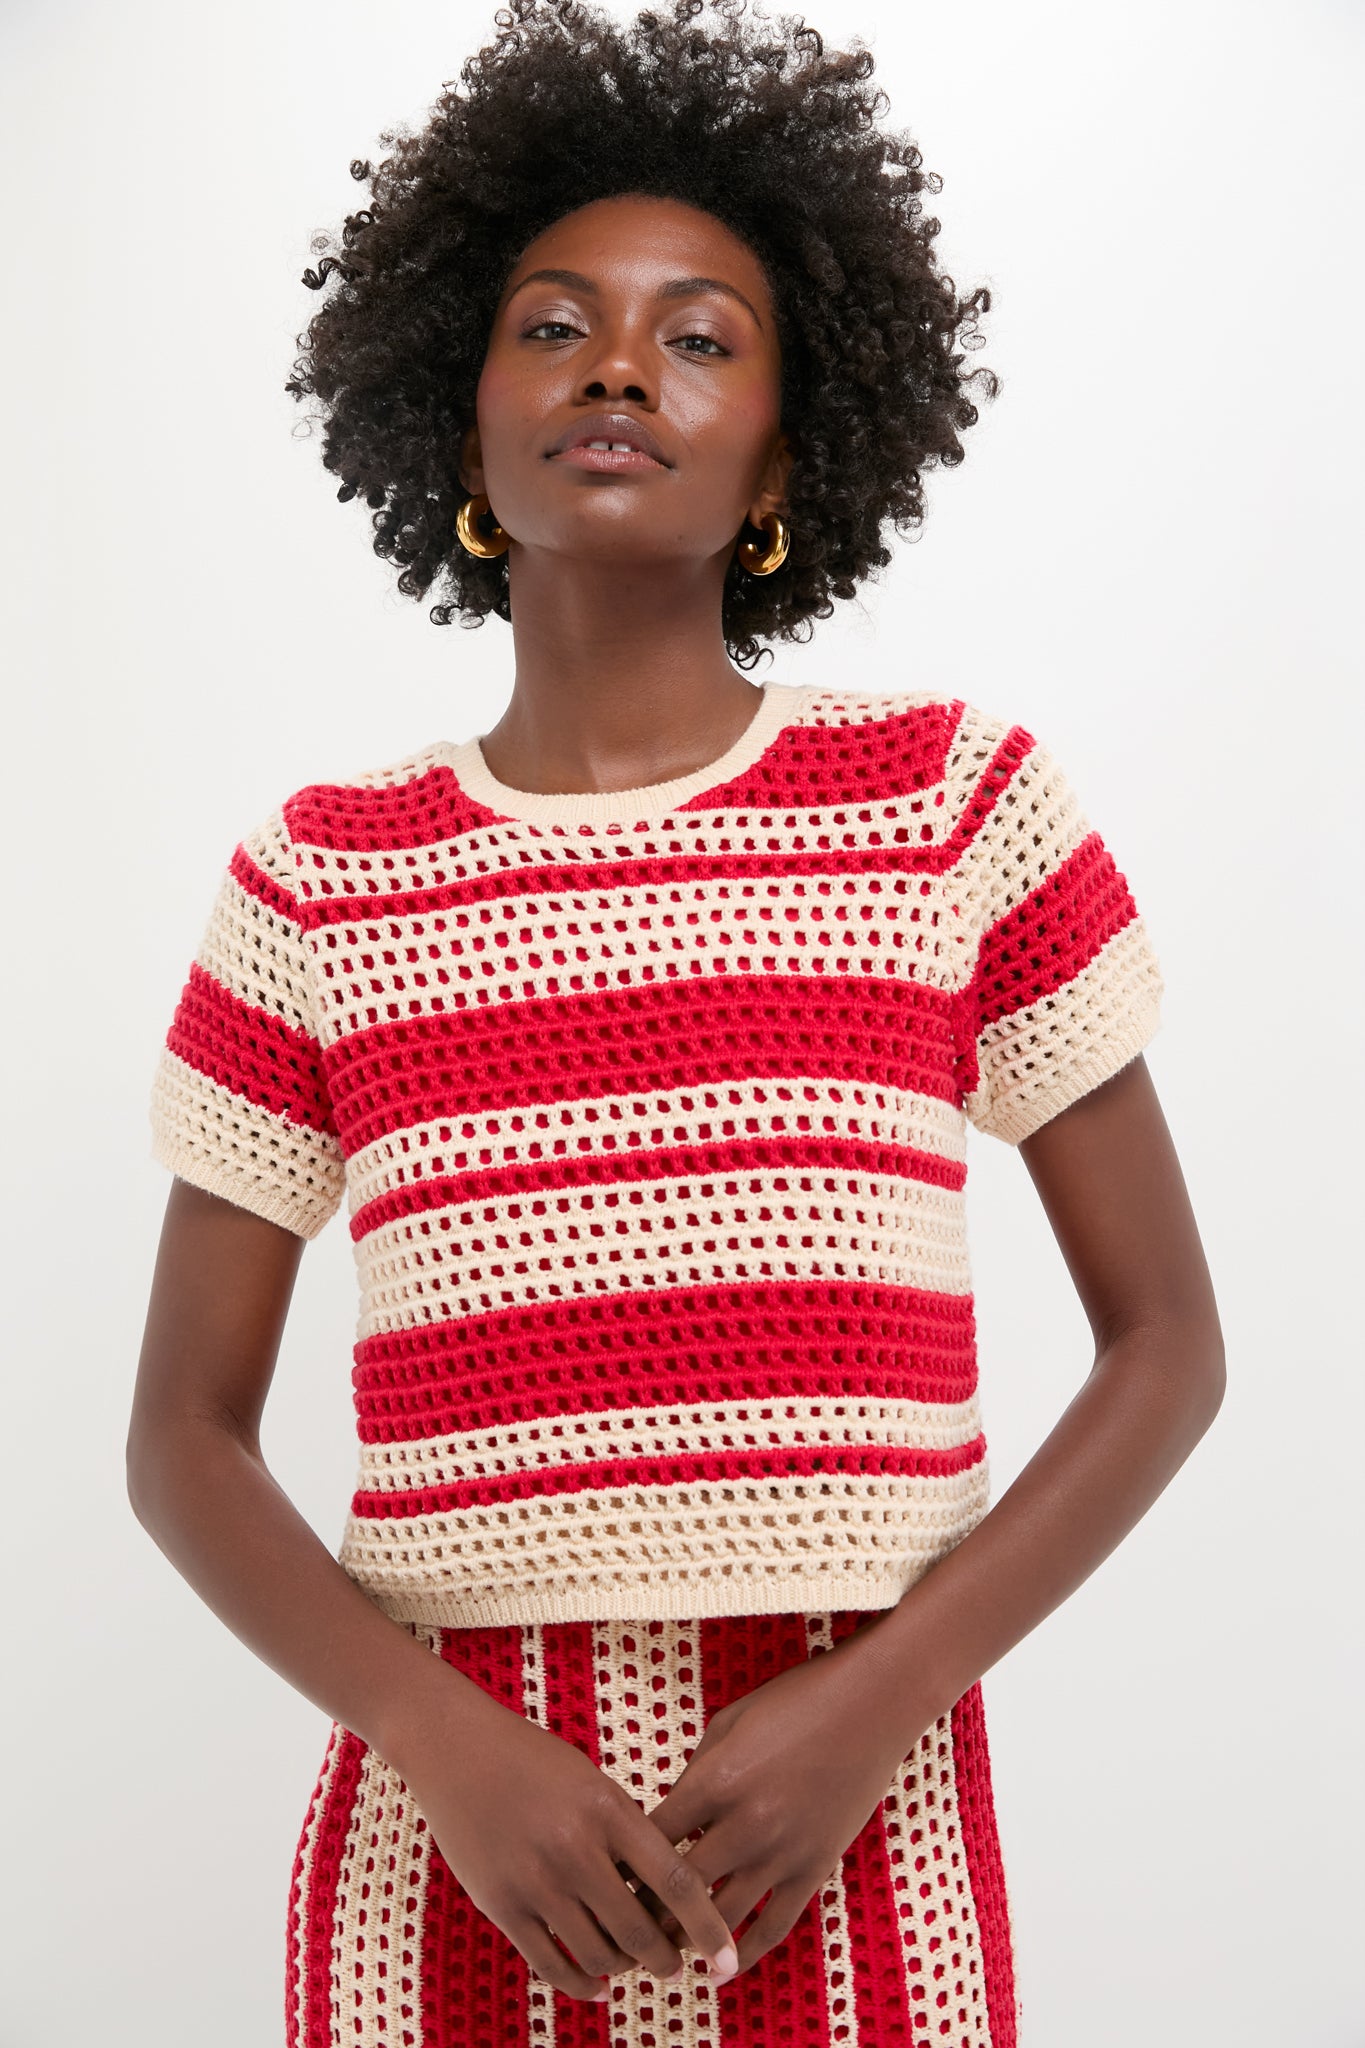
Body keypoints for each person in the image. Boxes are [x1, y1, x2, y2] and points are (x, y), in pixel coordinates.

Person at [127, 1, 1226, 2042]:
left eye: (699, 336)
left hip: (850, 1830)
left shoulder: (951, 810)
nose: (619, 365)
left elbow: (1166, 1343)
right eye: (551, 325)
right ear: (457, 422)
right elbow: (181, 1440)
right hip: (453, 1854)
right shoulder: (317, 880)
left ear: (789, 455)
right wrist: (434, 1742)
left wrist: (878, 1699)